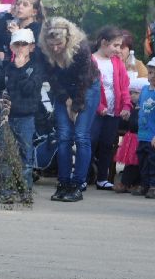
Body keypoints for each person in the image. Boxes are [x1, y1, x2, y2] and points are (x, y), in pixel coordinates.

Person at [38, 17, 101, 202]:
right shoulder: (45, 50)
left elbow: (84, 79)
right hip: (63, 90)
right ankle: (63, 182)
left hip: (87, 88)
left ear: (68, 38)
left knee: (81, 135)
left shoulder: (81, 47)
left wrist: (76, 106)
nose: (55, 48)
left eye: (59, 44)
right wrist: (65, 100)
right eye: (52, 45)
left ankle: (78, 183)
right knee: (63, 136)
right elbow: (52, 78)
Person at [0, 28, 46, 204]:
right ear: (11, 47)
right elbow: (0, 85)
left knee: (25, 153)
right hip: (8, 117)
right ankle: (7, 190)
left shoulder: (36, 68)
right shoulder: (7, 66)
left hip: (26, 117)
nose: (21, 48)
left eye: (24, 44)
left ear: (31, 47)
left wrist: (21, 68)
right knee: (6, 153)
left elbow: (29, 89)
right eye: (17, 44)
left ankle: (25, 189)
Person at [91, 26, 132, 190]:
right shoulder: (91, 60)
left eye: (120, 46)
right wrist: (98, 106)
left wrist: (127, 106)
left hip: (113, 112)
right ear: (104, 43)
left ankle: (102, 178)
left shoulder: (117, 63)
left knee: (108, 144)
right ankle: (85, 176)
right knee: (91, 142)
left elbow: (124, 87)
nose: (118, 50)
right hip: (95, 112)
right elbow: (88, 88)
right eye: (115, 46)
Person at [132, 59, 155, 198]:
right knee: (143, 161)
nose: (151, 76)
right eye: (150, 72)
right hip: (143, 134)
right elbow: (140, 108)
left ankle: (153, 186)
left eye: (154, 73)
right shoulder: (145, 89)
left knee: (153, 162)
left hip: (153, 136)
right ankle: (144, 184)